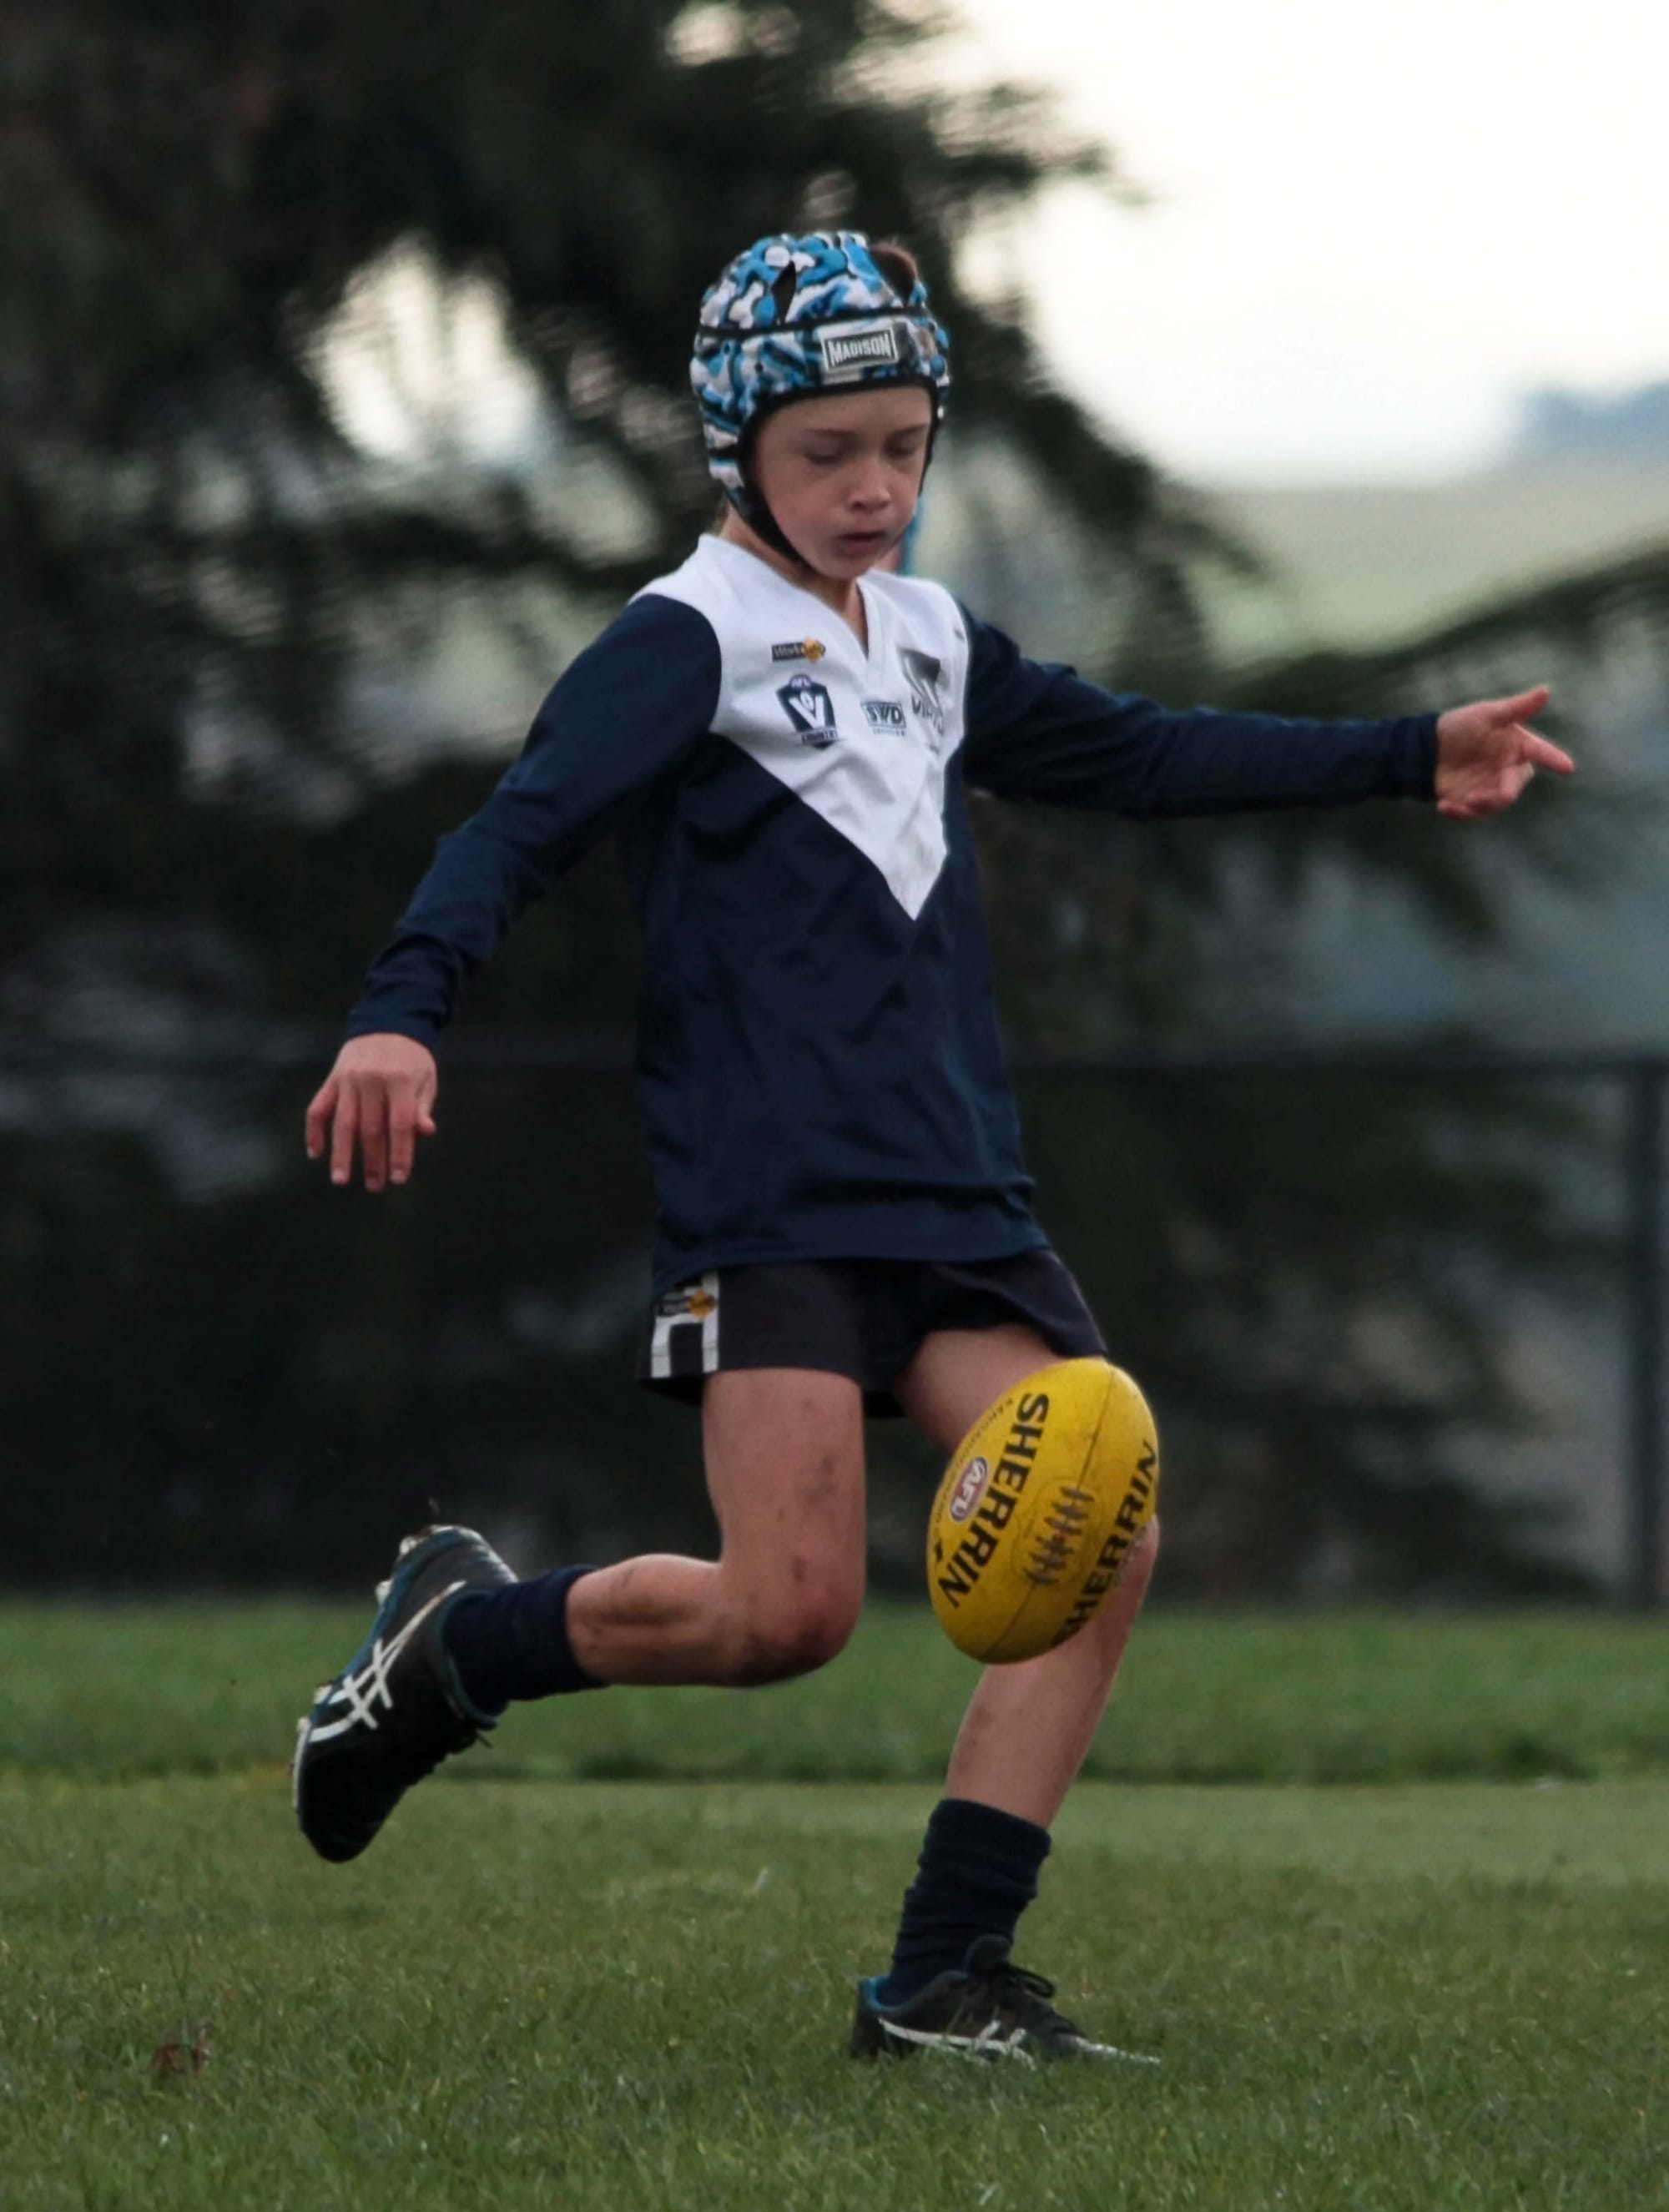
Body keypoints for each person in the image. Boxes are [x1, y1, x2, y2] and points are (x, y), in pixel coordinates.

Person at [293, 230, 1575, 2061]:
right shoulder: (686, 640)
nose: (876, 484)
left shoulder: (931, 637)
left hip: (958, 1197)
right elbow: (518, 829)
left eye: (903, 441)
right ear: (738, 447)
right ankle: (454, 1654)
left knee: (1099, 1533)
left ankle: (940, 1983)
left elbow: (1136, 753)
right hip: (775, 1208)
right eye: (830, 451)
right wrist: (400, 1008)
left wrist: (1398, 751)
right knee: (784, 1614)